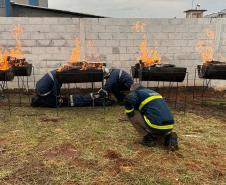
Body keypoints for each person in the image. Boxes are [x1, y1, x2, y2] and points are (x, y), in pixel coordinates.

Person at [124, 84, 178, 151]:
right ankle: (168, 137)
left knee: (133, 113)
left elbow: (129, 99)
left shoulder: (137, 92)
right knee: (155, 116)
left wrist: (129, 113)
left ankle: (147, 139)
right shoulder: (153, 93)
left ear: (133, 90)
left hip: (156, 126)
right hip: (170, 125)